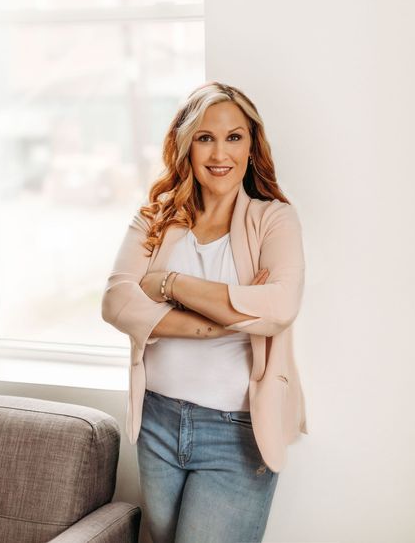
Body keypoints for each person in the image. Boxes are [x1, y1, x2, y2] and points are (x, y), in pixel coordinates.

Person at [101, 81, 308, 543]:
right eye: (205, 137)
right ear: (185, 144)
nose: (220, 153)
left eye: (234, 137)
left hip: (235, 432)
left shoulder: (273, 219)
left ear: (252, 146)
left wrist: (168, 285)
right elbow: (116, 302)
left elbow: (279, 307)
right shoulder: (154, 218)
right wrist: (218, 319)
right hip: (156, 420)